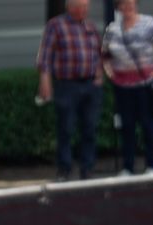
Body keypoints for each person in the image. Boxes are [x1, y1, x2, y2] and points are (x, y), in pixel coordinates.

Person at [103, 0, 153, 177]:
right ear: (118, 8)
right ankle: (128, 167)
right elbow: (104, 55)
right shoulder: (112, 29)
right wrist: (110, 74)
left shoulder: (149, 23)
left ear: (136, 5)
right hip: (122, 86)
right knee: (127, 127)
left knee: (147, 124)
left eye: (131, 4)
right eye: (124, 5)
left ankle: (152, 165)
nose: (128, 8)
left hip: (144, 84)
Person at [36, 0, 104, 182]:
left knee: (90, 128)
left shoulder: (90, 26)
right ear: (71, 7)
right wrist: (45, 80)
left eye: (87, 7)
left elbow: (97, 52)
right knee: (66, 128)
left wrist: (99, 74)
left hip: (90, 85)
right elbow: (45, 55)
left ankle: (87, 169)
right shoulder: (56, 25)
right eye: (81, 7)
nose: (85, 10)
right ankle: (64, 169)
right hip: (67, 85)